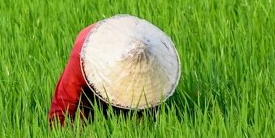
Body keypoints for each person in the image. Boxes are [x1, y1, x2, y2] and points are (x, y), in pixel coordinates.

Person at [48, 14, 180, 126]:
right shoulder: (82, 58)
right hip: (94, 52)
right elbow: (61, 108)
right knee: (85, 112)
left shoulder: (153, 55)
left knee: (143, 110)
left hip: (134, 41)